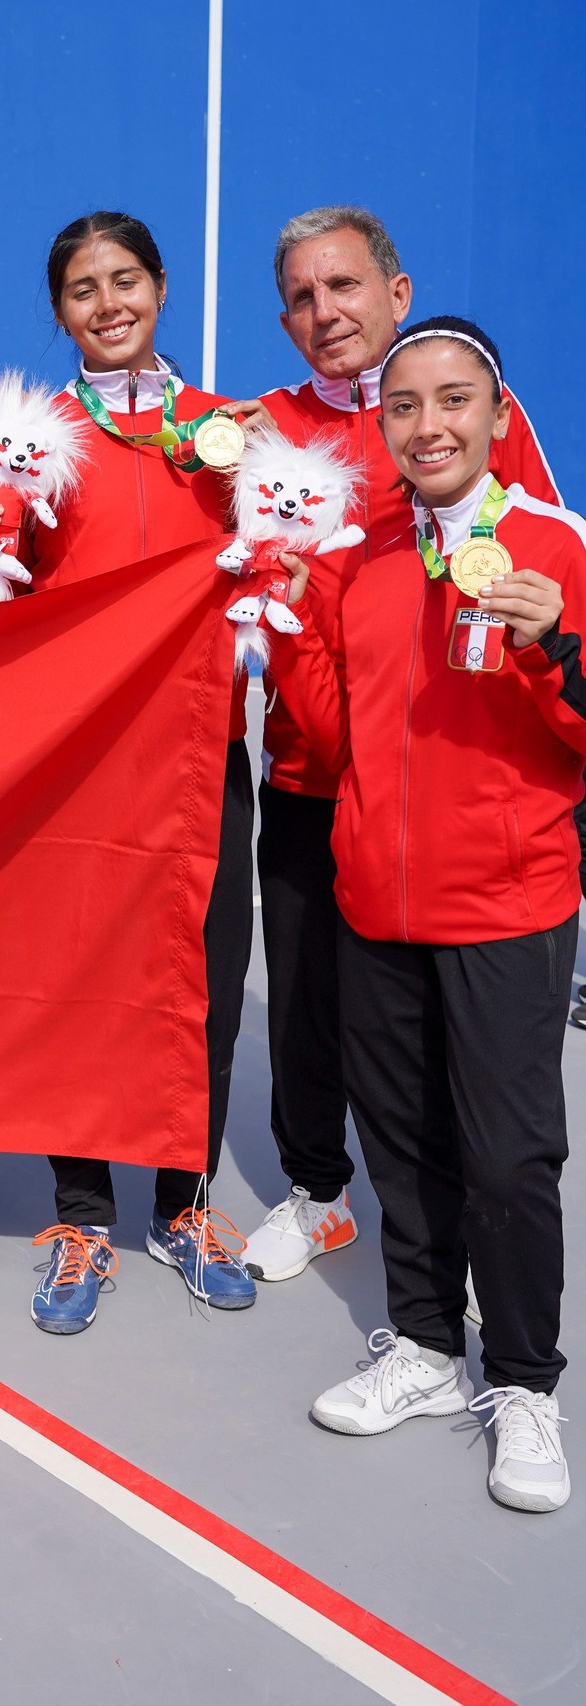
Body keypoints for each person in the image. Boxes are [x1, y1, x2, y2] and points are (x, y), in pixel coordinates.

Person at [271, 316, 579, 1513]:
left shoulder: (554, 545)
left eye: (455, 401)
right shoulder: (365, 556)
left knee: (507, 1160)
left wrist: (555, 646)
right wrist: (297, 621)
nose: (430, 424)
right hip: (376, 902)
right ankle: (425, 1346)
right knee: (399, 1143)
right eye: (404, 406)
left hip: (505, 904)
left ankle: (523, 1380)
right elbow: (339, 734)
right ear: (382, 425)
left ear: (499, 418)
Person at [233, 207, 565, 1285]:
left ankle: (456, 1227)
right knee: (311, 1005)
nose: (324, 311)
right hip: (308, 769)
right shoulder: (259, 429)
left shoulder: (472, 409)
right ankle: (319, 1190)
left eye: (344, 286)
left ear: (397, 291)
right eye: (301, 296)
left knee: (443, 1041)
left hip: (441, 786)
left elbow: (539, 572)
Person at [0, 211, 256, 1331]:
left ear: (162, 286)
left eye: (124, 280)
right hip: (79, 756)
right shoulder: (32, 432)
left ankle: (181, 1202)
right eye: (82, 290)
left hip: (199, 746)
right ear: (59, 312)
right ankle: (81, 1211)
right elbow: (7, 593)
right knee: (79, 976)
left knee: (203, 978)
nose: (107, 304)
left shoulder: (230, 431)